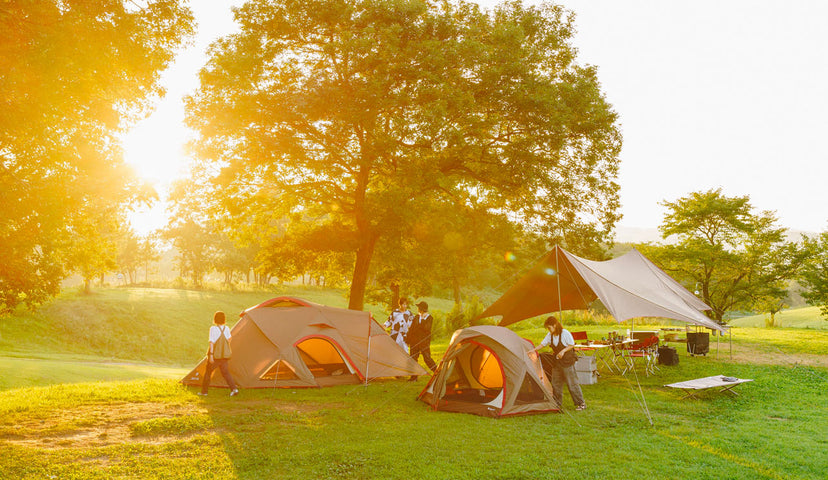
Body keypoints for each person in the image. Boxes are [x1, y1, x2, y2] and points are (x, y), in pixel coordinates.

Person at [532, 316, 585, 411]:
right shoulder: (550, 335)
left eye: (549, 327)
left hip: (568, 362)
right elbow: (542, 344)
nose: (548, 330)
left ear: (555, 325)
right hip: (557, 363)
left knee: (572, 384)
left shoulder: (565, 333)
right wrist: (532, 350)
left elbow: (572, 344)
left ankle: (581, 403)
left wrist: (563, 351)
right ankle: (557, 403)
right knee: (556, 383)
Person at [198, 311, 239, 397]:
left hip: (215, 355)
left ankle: (204, 392)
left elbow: (211, 342)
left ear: (215, 319)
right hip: (224, 355)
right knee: (226, 373)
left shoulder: (213, 329)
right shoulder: (227, 328)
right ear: (224, 319)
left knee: (208, 372)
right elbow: (229, 339)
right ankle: (234, 389)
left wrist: (211, 355)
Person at [406, 300, 437, 380]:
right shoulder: (416, 317)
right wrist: (408, 340)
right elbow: (412, 329)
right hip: (414, 341)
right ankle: (414, 377)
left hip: (424, 342)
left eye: (419, 307)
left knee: (427, 359)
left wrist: (423, 319)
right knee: (413, 359)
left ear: (422, 309)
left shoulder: (429, 318)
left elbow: (426, 329)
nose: (417, 309)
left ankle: (438, 373)